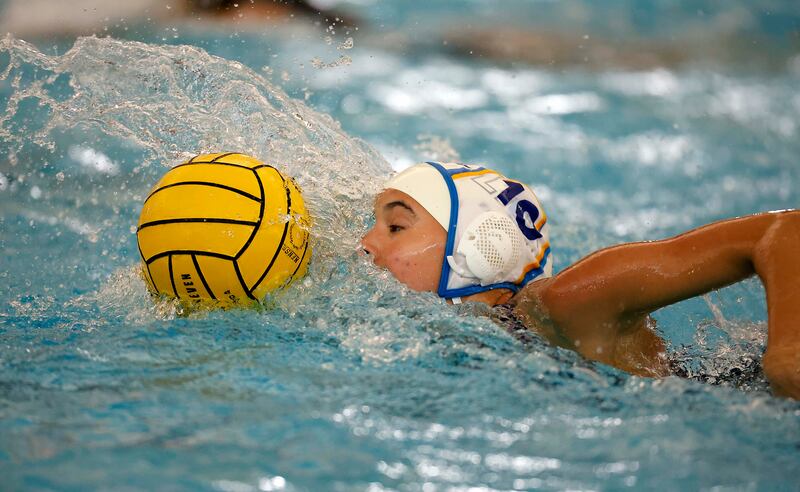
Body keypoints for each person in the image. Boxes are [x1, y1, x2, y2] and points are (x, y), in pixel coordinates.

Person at [360, 161, 800, 399]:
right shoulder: (472, 333)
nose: (364, 244)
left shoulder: (567, 302)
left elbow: (785, 230)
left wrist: (787, 350)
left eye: (395, 227)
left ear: (479, 248)